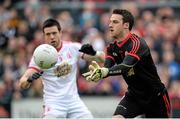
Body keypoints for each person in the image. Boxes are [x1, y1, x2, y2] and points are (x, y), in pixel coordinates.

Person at [83, 9, 171, 118]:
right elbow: (107, 67)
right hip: (134, 96)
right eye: (110, 22)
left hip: (155, 97)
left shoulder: (137, 43)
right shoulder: (112, 48)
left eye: (115, 22)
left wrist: (105, 72)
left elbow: (126, 66)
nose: (110, 25)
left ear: (126, 25)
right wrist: (99, 73)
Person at [19, 18, 105, 118]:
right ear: (44, 36)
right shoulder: (40, 56)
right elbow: (22, 82)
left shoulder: (72, 48)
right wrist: (29, 80)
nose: (52, 37)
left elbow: (103, 58)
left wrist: (94, 53)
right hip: (54, 103)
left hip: (74, 101)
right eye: (48, 34)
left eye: (54, 33)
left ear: (60, 32)